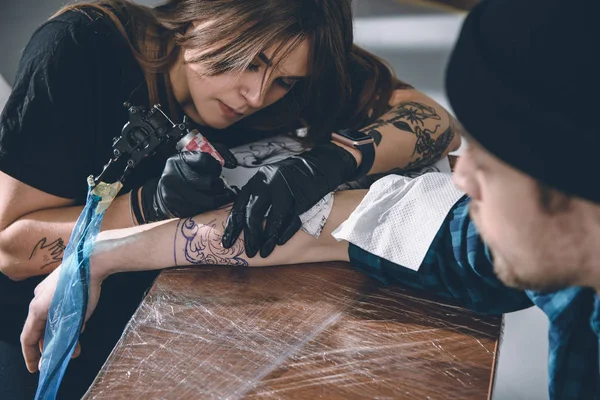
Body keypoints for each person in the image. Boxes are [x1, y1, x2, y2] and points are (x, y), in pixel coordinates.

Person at [21, 0, 600, 398]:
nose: (255, 94)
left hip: (179, 311)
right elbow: (11, 247)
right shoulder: (86, 48)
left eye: (282, 81)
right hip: (36, 327)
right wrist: (142, 212)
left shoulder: (296, 74)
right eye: (249, 62)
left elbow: (431, 121)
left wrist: (336, 158)